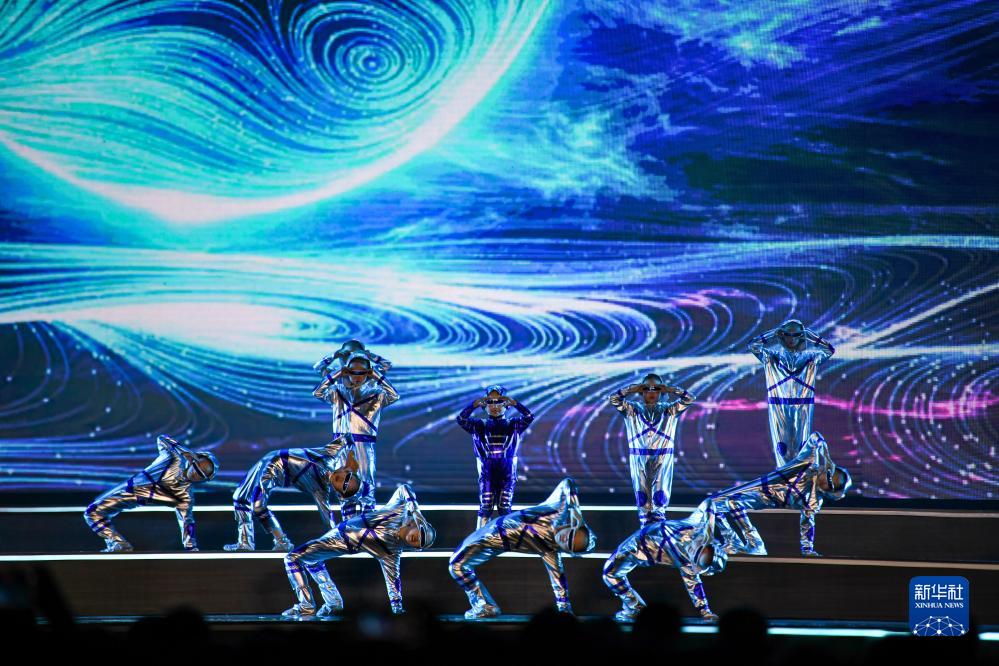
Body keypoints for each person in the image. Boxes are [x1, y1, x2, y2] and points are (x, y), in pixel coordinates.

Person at [282, 483, 436, 617]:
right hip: (339, 530)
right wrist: (415, 510)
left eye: (421, 543)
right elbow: (404, 488)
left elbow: (393, 582)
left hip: (341, 542)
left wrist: (397, 609)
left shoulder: (392, 552)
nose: (418, 539)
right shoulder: (397, 512)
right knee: (312, 560)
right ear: (417, 524)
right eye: (421, 533)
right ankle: (333, 603)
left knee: (292, 558)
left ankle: (307, 606)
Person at [449, 478, 596, 618]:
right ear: (572, 525)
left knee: (456, 566)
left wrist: (564, 610)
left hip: (491, 541)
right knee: (457, 565)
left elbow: (559, 582)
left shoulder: (550, 552)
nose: (566, 539)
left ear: (569, 551)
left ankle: (485, 606)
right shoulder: (557, 512)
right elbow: (568, 483)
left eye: (570, 545)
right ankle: (484, 605)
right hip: (493, 526)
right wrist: (576, 511)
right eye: (571, 535)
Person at [708, 431, 852, 557]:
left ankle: (755, 544)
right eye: (830, 475)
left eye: (831, 484)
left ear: (831, 492)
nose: (826, 479)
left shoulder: (813, 501)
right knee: (713, 503)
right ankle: (732, 542)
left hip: (764, 497)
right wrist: (826, 457)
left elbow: (807, 525)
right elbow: (815, 437)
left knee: (732, 502)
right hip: (761, 484)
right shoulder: (807, 464)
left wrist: (807, 550)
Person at [603, 500, 738, 621]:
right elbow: (709, 503)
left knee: (609, 573)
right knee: (654, 495)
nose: (697, 552)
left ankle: (636, 609)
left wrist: (705, 612)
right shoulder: (698, 527)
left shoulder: (687, 564)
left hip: (639, 547)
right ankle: (635, 609)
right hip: (653, 521)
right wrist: (709, 531)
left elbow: (694, 586)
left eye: (703, 559)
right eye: (705, 551)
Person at [223, 435, 364, 551]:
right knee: (239, 497)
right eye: (348, 477)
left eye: (345, 487)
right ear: (346, 470)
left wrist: (338, 540)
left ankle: (282, 542)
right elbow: (347, 437)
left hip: (272, 473)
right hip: (269, 459)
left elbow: (328, 520)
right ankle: (245, 543)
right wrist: (352, 456)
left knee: (258, 505)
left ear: (339, 493)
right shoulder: (329, 455)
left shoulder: (320, 490)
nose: (343, 481)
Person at [84, 435, 218, 552]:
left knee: (92, 512)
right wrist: (185, 452)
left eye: (201, 475)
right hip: (129, 485)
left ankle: (119, 544)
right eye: (196, 468)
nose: (196, 474)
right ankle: (117, 543)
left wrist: (191, 549)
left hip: (134, 497)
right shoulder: (175, 458)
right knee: (93, 512)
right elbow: (162, 439)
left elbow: (186, 522)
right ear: (193, 460)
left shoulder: (185, 497)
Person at [313, 351, 399, 517]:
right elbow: (317, 392)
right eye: (353, 372)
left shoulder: (376, 394)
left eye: (361, 372)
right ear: (347, 371)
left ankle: (367, 526)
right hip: (340, 446)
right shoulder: (337, 391)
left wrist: (375, 373)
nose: (357, 376)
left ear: (368, 373)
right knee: (344, 489)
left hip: (364, 445)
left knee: (367, 487)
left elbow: (394, 395)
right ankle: (348, 527)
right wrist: (338, 372)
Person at [609, 374, 695, 525]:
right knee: (643, 503)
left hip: (663, 457)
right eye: (647, 389)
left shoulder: (670, 410)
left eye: (655, 388)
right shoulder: (632, 409)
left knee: (659, 502)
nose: (651, 392)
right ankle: (645, 534)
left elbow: (689, 399)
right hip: (638, 458)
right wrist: (631, 389)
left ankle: (658, 533)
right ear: (642, 391)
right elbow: (614, 399)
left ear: (661, 391)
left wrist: (671, 389)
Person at [749, 319, 835, 466]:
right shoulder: (771, 357)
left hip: (803, 405)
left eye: (796, 335)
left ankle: (801, 477)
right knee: (782, 451)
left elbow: (829, 351)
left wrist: (810, 335)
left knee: (801, 451)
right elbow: (753, 346)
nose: (791, 338)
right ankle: (784, 478)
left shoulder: (810, 358)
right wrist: (773, 333)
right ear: (782, 335)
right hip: (779, 405)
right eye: (788, 334)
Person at [456, 385, 534, 528]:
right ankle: (479, 538)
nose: (495, 406)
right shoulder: (478, 425)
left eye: (499, 402)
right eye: (490, 402)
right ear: (484, 405)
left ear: (506, 404)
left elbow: (529, 417)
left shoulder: (514, 424)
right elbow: (461, 419)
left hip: (507, 471)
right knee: (486, 506)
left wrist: (516, 404)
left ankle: (507, 537)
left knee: (505, 507)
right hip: (487, 471)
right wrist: (472, 405)